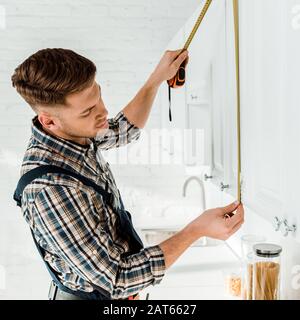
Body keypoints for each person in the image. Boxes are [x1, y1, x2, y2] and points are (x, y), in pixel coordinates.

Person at [11, 48, 244, 300]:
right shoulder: (50, 190)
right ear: (49, 122)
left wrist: (156, 79)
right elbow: (118, 279)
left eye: (98, 96)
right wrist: (196, 230)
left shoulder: (74, 134)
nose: (103, 112)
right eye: (87, 111)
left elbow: (123, 129)